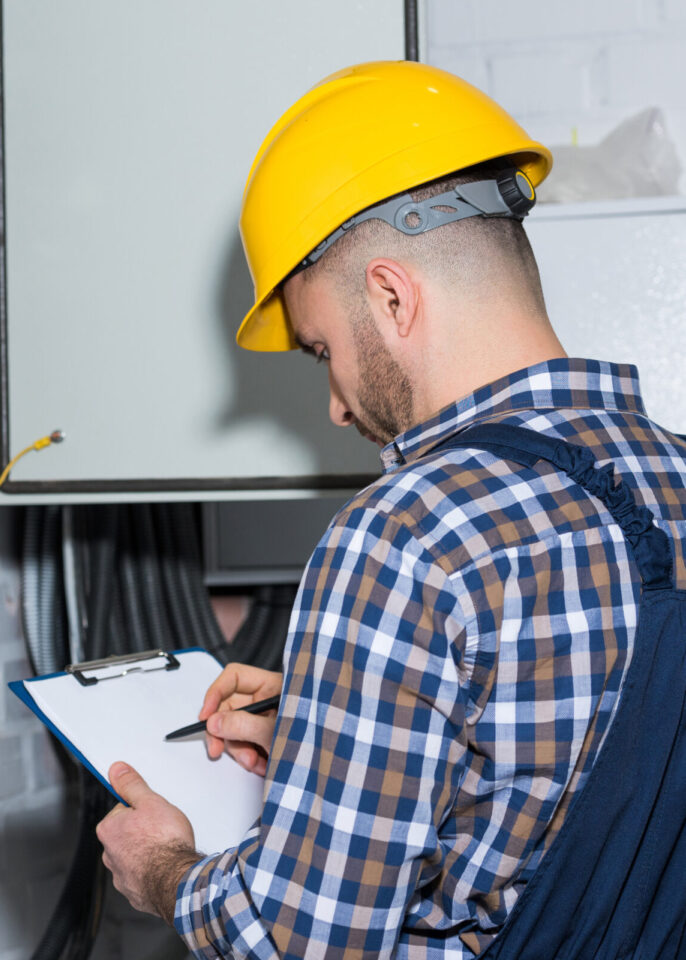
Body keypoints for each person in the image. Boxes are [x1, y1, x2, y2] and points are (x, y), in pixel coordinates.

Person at [96, 61, 686, 957]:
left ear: (391, 295)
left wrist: (168, 873)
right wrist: (334, 717)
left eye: (322, 348)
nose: (335, 406)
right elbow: (588, 745)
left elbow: (303, 941)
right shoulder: (673, 476)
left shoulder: (405, 535)